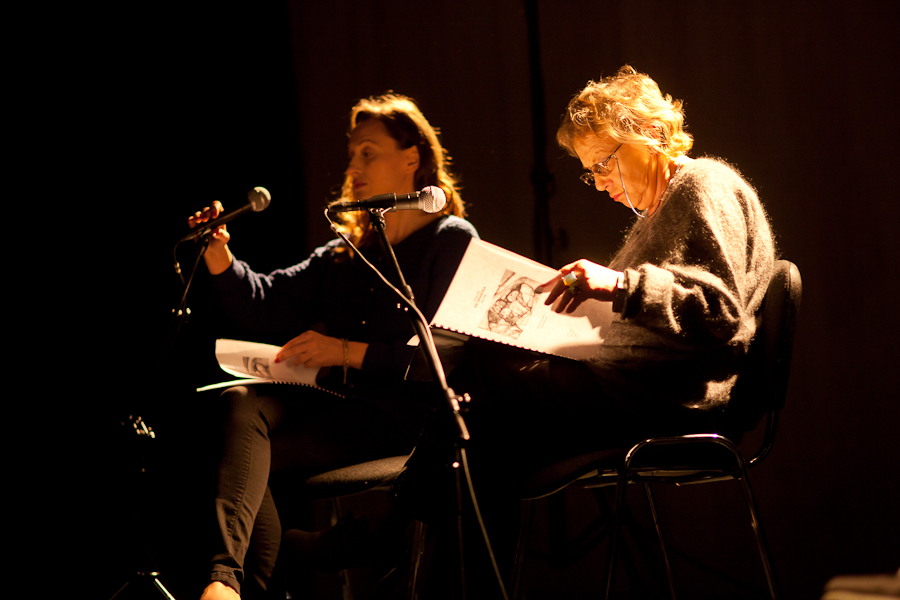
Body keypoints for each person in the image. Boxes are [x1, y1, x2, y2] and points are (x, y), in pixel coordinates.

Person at [383, 65, 776, 593]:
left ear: (651, 133)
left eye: (605, 162)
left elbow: (719, 312)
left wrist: (619, 284)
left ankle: (388, 535)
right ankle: (414, 553)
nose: (601, 181)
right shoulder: (660, 211)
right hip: (638, 389)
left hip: (670, 398)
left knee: (480, 392)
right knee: (482, 446)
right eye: (591, 172)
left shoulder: (705, 183)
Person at [189, 93, 479, 600]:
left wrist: (345, 351)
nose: (354, 167)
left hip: (406, 419)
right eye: (351, 155)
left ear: (411, 158)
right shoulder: (347, 250)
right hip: (343, 406)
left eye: (368, 152)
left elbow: (443, 356)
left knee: (244, 463)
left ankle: (232, 581)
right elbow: (265, 303)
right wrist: (219, 255)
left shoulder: (450, 238)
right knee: (237, 408)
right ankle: (226, 582)